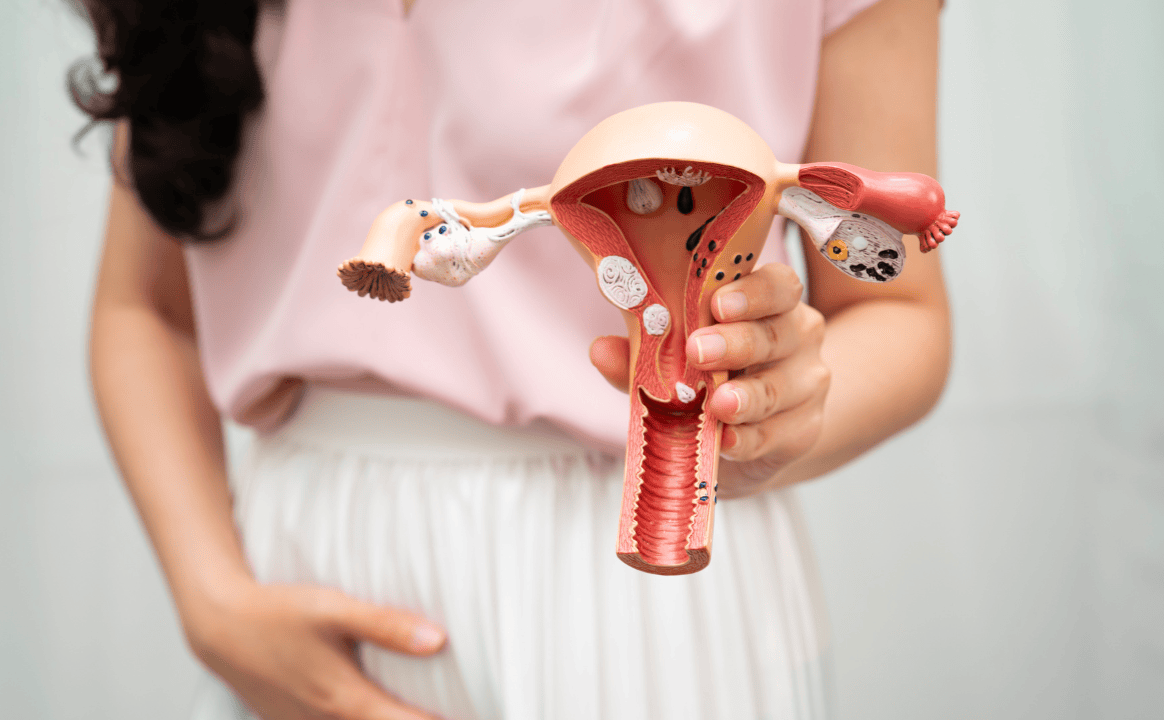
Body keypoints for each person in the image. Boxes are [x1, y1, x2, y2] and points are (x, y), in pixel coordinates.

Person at [77, 0, 952, 718]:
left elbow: (897, 309)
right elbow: (146, 309)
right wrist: (212, 599)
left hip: (645, 600)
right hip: (295, 577)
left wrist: (768, 424)